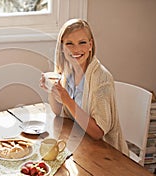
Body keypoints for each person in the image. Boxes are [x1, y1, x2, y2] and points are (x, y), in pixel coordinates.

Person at [40, 18, 128, 155]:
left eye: (82, 42)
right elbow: (58, 111)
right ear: (62, 48)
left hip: (107, 154)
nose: (76, 49)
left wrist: (67, 99)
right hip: (78, 143)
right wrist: (52, 89)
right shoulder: (68, 72)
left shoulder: (102, 79)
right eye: (69, 44)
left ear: (90, 45)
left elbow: (98, 133)